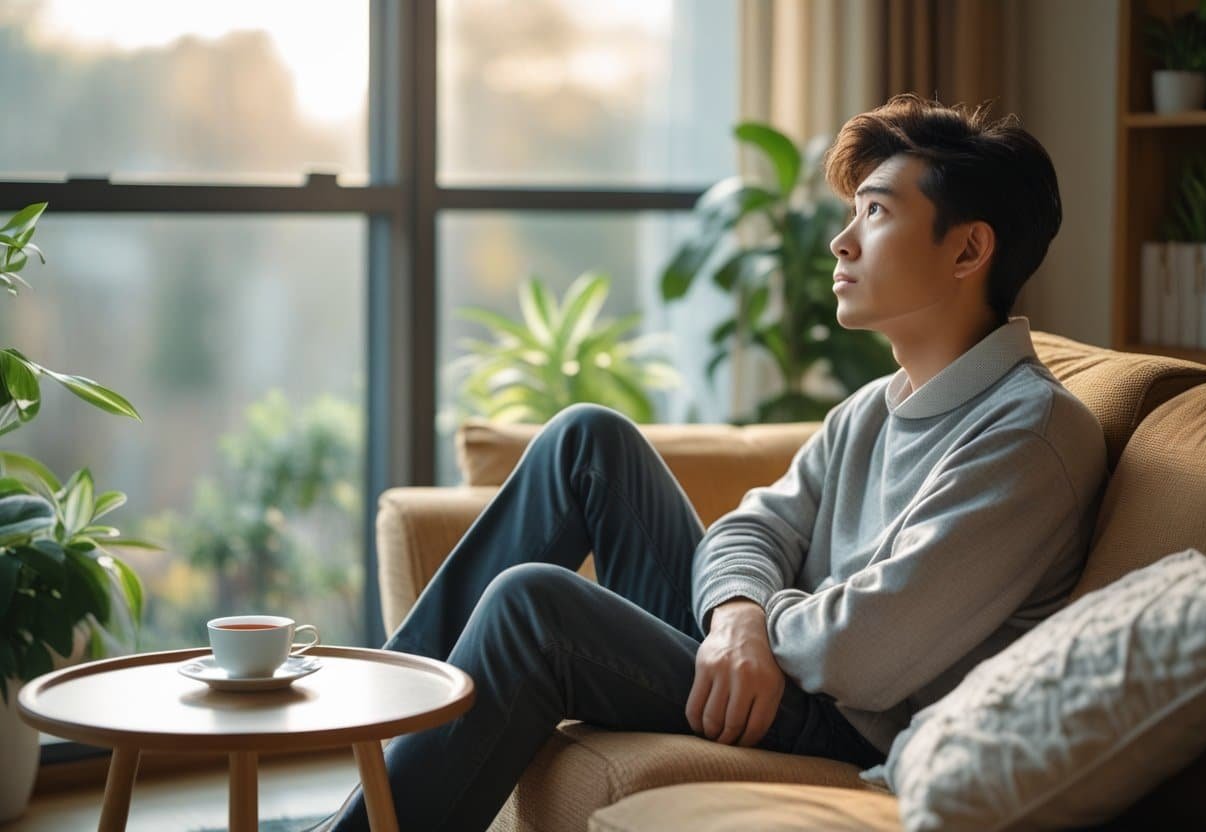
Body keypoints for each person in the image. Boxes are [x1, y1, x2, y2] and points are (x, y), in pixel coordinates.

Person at [319, 92, 1109, 831]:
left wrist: (761, 621)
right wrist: (735, 613)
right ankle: (356, 728)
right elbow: (751, 528)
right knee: (587, 441)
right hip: (777, 666)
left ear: (969, 250)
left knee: (537, 606)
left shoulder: (1031, 437)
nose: (843, 239)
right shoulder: (876, 405)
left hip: (844, 722)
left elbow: (860, 656)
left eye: (875, 212)